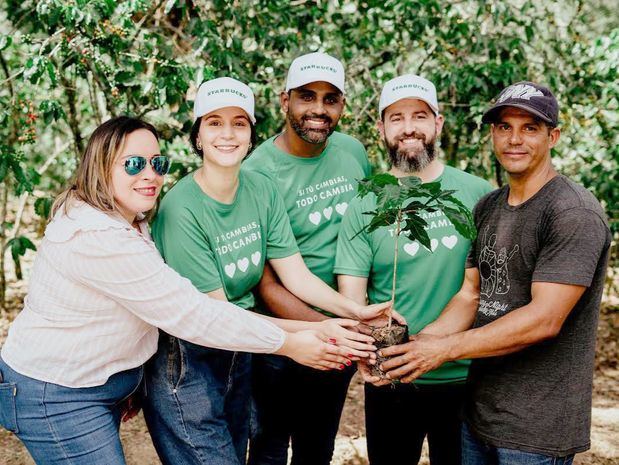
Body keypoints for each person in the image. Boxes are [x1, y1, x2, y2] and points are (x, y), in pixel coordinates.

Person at [0, 116, 380, 465]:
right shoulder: (97, 236)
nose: (150, 175)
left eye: (157, 163)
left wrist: (321, 327)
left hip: (101, 381)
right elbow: (193, 313)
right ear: (100, 167)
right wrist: (296, 342)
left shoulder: (130, 216)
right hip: (57, 393)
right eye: (133, 164)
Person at [141, 77, 391, 465]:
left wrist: (353, 312)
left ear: (251, 132)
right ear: (197, 136)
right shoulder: (181, 209)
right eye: (214, 123)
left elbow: (295, 275)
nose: (228, 134)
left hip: (241, 351)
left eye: (239, 123)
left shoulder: (260, 187)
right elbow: (216, 315)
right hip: (191, 356)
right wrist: (314, 331)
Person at [375, 82, 612, 465]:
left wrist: (442, 350)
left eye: (530, 128)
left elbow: (544, 319)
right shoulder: (489, 206)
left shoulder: (573, 213)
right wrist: (413, 348)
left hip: (535, 430)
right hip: (480, 415)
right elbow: (470, 296)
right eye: (504, 126)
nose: (514, 139)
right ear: (492, 134)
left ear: (553, 136)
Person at [335, 74, 493, 465]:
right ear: (382, 128)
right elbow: (352, 297)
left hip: (466, 375)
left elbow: (493, 284)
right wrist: (365, 343)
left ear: (438, 123)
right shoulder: (365, 202)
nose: (409, 128)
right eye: (397, 118)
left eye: (420, 116)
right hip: (392, 377)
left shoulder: (477, 193)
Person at [243, 52, 372, 465]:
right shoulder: (256, 171)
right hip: (285, 337)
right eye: (306, 96)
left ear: (343, 106)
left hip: (341, 331)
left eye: (330, 98)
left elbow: (365, 235)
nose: (318, 109)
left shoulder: (352, 152)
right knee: (269, 445)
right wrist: (329, 329)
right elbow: (265, 282)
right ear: (285, 101)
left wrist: (351, 327)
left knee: (317, 446)